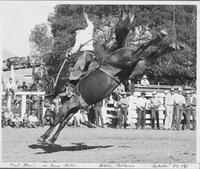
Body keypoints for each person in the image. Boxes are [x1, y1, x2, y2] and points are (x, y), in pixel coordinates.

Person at [67, 13, 94, 84]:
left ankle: (71, 89)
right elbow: (91, 25)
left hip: (85, 54)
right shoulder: (88, 30)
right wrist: (86, 18)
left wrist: (70, 54)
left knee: (74, 71)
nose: (75, 33)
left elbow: (76, 47)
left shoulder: (78, 35)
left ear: (78, 30)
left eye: (75, 32)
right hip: (92, 54)